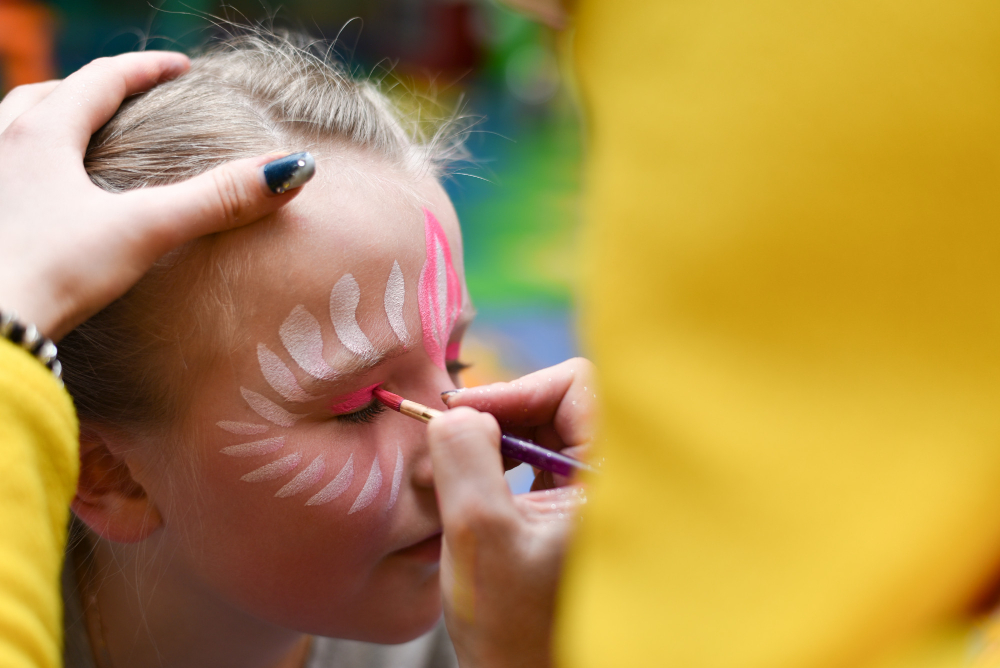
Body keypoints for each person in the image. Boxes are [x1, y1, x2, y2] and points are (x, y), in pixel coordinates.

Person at [1, 29, 586, 668]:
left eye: (455, 361)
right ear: (107, 473)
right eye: (362, 407)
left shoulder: (505, 617)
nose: (474, 442)